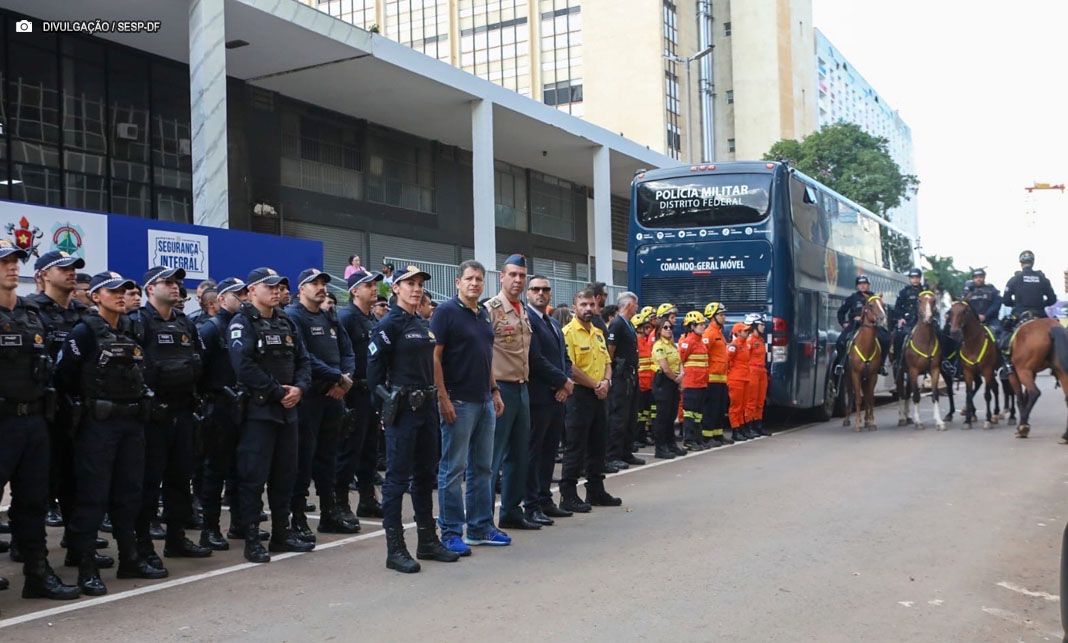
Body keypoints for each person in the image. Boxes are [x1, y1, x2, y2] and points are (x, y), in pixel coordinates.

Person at [56, 271, 167, 595]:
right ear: (96, 296)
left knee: (129, 494)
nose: (121, 295)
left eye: (125, 290)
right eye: (113, 291)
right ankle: (87, 567)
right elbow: (64, 376)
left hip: (131, 424)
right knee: (93, 496)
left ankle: (129, 558)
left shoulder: (133, 329)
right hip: (98, 425)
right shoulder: (84, 331)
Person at [0, 241, 81, 601]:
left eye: (15, 260)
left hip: (34, 421)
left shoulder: (32, 313)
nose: (12, 267)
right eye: (4, 262)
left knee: (33, 501)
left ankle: (37, 573)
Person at [368, 265, 459, 573]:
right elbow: (373, 376)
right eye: (409, 283)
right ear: (395, 288)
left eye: (420, 284)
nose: (416, 288)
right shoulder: (388, 325)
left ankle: (427, 540)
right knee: (396, 480)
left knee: (424, 477)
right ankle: (395, 549)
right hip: (404, 410)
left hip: (427, 408)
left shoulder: (422, 323)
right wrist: (387, 403)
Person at [228, 267, 314, 563]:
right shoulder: (242, 323)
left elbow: (303, 360)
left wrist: (300, 389)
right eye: (269, 287)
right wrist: (279, 392)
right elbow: (244, 366)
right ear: (252, 291)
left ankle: (281, 532)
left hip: (288, 412)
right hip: (259, 411)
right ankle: (252, 538)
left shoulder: (286, 322)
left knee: (285, 475)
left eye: (279, 287)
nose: (276, 291)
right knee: (253, 477)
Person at [130, 266, 212, 568]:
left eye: (177, 281)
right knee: (149, 484)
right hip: (153, 416)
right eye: (168, 282)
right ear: (150, 288)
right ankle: (144, 545)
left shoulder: (184, 323)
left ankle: (177, 538)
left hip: (183, 411)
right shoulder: (138, 322)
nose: (176, 286)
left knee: (180, 480)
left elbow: (199, 363)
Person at [432, 260, 509, 555]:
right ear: (457, 282)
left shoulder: (482, 315)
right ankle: (451, 532)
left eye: (478, 279)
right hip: (459, 402)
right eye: (469, 279)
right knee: (453, 469)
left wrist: (494, 391)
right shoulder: (445, 313)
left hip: (484, 401)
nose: (475, 283)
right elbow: (434, 358)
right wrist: (443, 398)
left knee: (482, 468)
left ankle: (479, 527)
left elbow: (485, 356)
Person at [285, 269, 359, 539]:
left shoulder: (330, 317)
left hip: (334, 396)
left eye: (323, 283)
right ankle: (299, 518)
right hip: (311, 398)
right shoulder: (293, 317)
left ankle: (329, 513)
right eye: (313, 284)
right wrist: (336, 377)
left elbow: (347, 351)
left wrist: (345, 378)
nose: (320, 288)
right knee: (303, 460)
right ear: (300, 288)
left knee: (329, 458)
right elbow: (303, 357)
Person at [28, 252, 88, 536]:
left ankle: (76, 543)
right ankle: (27, 546)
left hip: (76, 408)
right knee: (36, 481)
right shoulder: (31, 311)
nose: (71, 273)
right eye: (62, 268)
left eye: (73, 268)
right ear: (42, 275)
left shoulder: (83, 314)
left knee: (75, 478)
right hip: (41, 408)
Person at [485, 255, 541, 531]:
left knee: (519, 455)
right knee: (492, 457)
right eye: (513, 275)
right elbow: (482, 354)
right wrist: (492, 389)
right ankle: (483, 519)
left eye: (522, 275)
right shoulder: (491, 310)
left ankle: (511, 511)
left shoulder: (523, 311)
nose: (518, 280)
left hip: (522, 388)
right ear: (501, 277)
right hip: (500, 388)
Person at [196, 277, 252, 550]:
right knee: (215, 469)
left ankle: (240, 523)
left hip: (243, 404)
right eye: (236, 294)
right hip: (218, 405)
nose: (243, 298)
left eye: (245, 293)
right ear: (220, 299)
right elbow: (199, 370)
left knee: (242, 468)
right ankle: (210, 528)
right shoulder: (210, 329)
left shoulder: (245, 326)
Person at [559, 289, 622, 512]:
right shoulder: (568, 332)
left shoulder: (597, 333)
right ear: (575, 307)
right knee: (576, 445)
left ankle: (596, 490)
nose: (588, 308)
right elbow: (571, 368)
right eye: (583, 304)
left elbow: (607, 360)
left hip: (600, 393)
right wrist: (596, 385)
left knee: (598, 444)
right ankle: (568, 494)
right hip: (579, 395)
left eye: (591, 305)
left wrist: (606, 381)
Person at [523, 274, 574, 525]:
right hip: (538, 396)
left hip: (557, 397)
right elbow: (535, 359)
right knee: (534, 453)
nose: (541, 293)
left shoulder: (552, 323)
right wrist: (562, 381)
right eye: (535, 289)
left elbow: (565, 356)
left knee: (549, 452)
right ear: (528, 293)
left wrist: (566, 381)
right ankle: (531, 505)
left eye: (545, 289)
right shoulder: (527, 319)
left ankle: (545, 499)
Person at [336, 271, 385, 521]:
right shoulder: (345, 317)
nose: (374, 289)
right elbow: (338, 354)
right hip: (352, 392)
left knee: (369, 450)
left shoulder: (371, 319)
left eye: (375, 284)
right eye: (368, 285)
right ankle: (340, 503)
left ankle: (367, 500)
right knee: (349, 451)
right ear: (355, 291)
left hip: (371, 392)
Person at [605, 292, 644, 470]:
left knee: (630, 415)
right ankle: (613, 454)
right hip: (621, 377)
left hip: (631, 375)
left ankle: (626, 451)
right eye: (635, 305)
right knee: (618, 416)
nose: (637, 308)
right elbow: (610, 350)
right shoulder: (617, 324)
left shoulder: (628, 324)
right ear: (629, 305)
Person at [1003, 251, 1058, 353]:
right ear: (1033, 262)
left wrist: (1017, 303)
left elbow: (1006, 301)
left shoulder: (1014, 279)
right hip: (1041, 314)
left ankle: (1006, 361)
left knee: (1004, 336)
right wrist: (1042, 303)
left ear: (1021, 263)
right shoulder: (1043, 279)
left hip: (1020, 314)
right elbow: (1052, 300)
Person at [835, 276, 889, 376]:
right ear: (857, 286)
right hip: (855, 325)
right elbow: (841, 312)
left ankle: (881, 365)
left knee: (886, 339)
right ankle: (841, 364)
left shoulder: (874, 297)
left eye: (865, 284)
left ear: (868, 285)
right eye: (860, 284)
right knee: (841, 341)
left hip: (872, 326)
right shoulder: (852, 298)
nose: (863, 286)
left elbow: (881, 311)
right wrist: (844, 322)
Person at [651, 318, 684, 459]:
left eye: (670, 327)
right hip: (663, 382)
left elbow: (679, 361)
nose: (669, 329)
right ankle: (661, 447)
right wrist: (675, 378)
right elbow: (664, 367)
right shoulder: (659, 346)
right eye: (665, 327)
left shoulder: (672, 345)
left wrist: (682, 374)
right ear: (659, 330)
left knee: (671, 415)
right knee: (662, 417)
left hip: (674, 381)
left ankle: (671, 444)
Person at [678, 311, 710, 451]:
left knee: (698, 413)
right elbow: (681, 360)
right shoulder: (688, 342)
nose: (703, 326)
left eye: (704, 324)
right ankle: (689, 440)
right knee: (690, 413)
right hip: (691, 383)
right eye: (700, 324)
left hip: (701, 382)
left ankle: (697, 438)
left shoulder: (701, 341)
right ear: (692, 326)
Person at [701, 302, 732, 446]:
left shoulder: (719, 332)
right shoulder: (709, 333)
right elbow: (703, 353)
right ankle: (707, 437)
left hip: (721, 377)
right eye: (721, 315)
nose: (724, 317)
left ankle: (718, 434)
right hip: (712, 377)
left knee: (720, 409)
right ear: (712, 317)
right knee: (711, 409)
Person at [891, 268, 928, 373]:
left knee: (939, 334)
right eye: (912, 278)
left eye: (917, 277)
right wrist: (900, 318)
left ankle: (943, 362)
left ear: (920, 278)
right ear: (910, 279)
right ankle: (897, 361)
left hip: (924, 321)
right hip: (909, 321)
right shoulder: (904, 292)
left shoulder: (925, 291)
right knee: (899, 336)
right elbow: (897, 307)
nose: (915, 280)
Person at [744, 314, 771, 437]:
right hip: (752, 371)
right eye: (761, 324)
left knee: (760, 400)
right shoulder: (749, 341)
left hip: (761, 371)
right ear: (754, 325)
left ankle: (758, 425)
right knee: (751, 400)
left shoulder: (760, 340)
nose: (763, 327)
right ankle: (749, 426)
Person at [727, 322, 752, 442]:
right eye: (745, 331)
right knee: (736, 406)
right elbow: (727, 360)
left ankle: (741, 428)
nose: (747, 332)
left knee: (742, 406)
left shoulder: (746, 345)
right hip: (736, 379)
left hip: (745, 378)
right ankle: (735, 430)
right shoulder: (734, 345)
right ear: (738, 333)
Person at [634, 312, 656, 446]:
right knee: (639, 413)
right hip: (640, 383)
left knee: (645, 413)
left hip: (648, 383)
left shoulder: (646, 342)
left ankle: (641, 435)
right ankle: (636, 437)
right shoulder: (635, 343)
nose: (647, 329)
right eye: (644, 326)